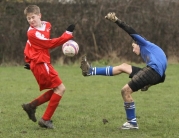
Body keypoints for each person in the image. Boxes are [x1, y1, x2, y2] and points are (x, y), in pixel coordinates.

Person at [80, 12, 167, 129]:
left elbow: (130, 30)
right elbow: (162, 77)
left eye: (133, 46)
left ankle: (132, 123)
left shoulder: (144, 43)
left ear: (138, 43)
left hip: (152, 71)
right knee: (123, 66)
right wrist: (149, 83)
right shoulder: (153, 52)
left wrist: (116, 20)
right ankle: (90, 71)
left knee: (125, 91)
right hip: (154, 73)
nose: (133, 50)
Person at [22, 5, 75, 129]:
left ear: (39, 15)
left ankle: (31, 106)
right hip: (41, 63)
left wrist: (30, 60)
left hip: (42, 62)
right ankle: (45, 119)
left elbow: (30, 46)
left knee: (57, 90)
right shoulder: (32, 33)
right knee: (60, 89)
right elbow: (49, 44)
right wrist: (67, 34)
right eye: (28, 19)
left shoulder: (47, 25)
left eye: (33, 17)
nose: (31, 21)